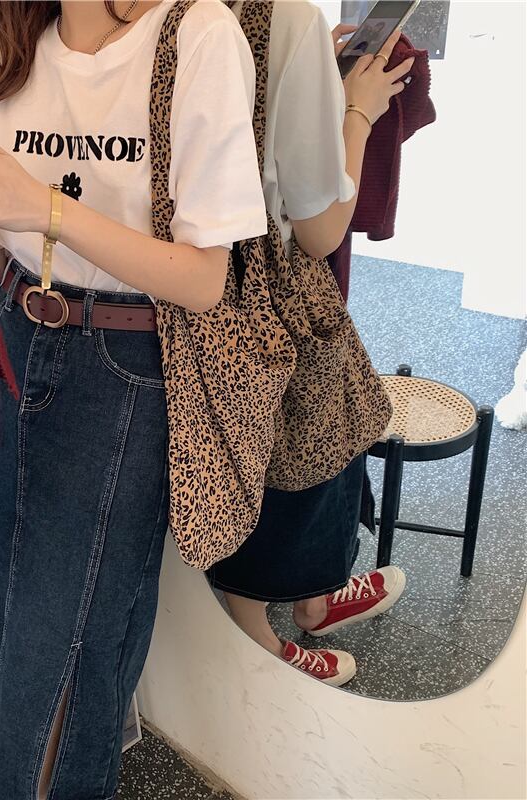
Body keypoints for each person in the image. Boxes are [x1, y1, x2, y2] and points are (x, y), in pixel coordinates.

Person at [0, 1, 265, 797]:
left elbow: (205, 279)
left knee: (69, 637)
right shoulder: (12, 47)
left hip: (125, 361)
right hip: (11, 332)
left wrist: (42, 208)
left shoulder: (195, 32)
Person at [205, 2, 412, 688]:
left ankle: (314, 599)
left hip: (206, 270)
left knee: (270, 450)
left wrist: (312, 71)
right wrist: (356, 112)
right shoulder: (284, 15)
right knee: (292, 451)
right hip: (270, 280)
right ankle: (264, 638)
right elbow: (321, 231)